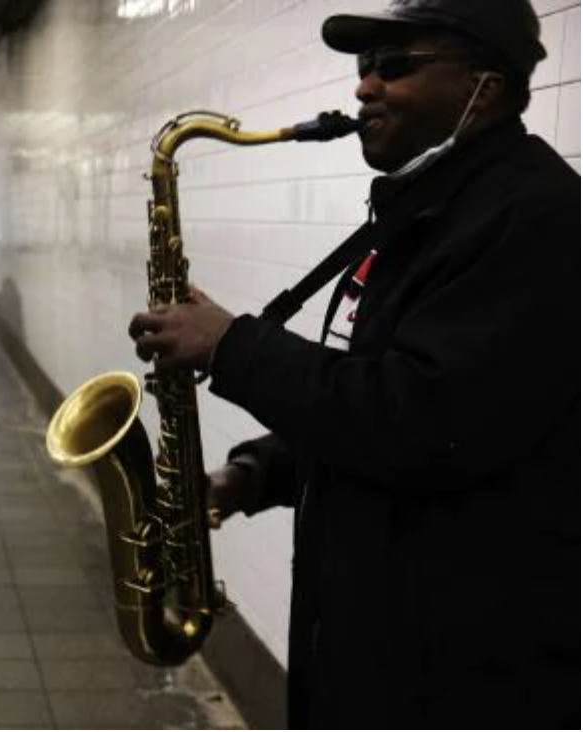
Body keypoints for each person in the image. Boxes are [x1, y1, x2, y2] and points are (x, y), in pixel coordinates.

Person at [127, 0, 579, 727]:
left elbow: (425, 419)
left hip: (462, 671)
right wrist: (256, 474)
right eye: (364, 67)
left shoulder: (537, 218)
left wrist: (232, 345)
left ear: (483, 88)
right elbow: (368, 387)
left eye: (395, 66)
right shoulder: (424, 213)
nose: (365, 87)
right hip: (379, 639)